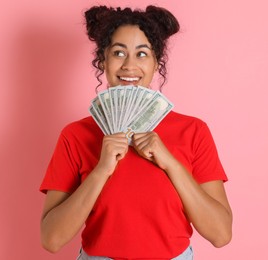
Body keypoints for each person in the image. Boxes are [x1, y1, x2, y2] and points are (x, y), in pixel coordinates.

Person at [39, 5, 232, 260]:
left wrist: (170, 163)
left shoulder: (193, 131)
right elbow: (51, 239)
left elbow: (220, 234)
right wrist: (101, 170)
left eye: (142, 54)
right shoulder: (75, 135)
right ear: (103, 61)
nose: (129, 65)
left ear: (156, 63)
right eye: (118, 52)